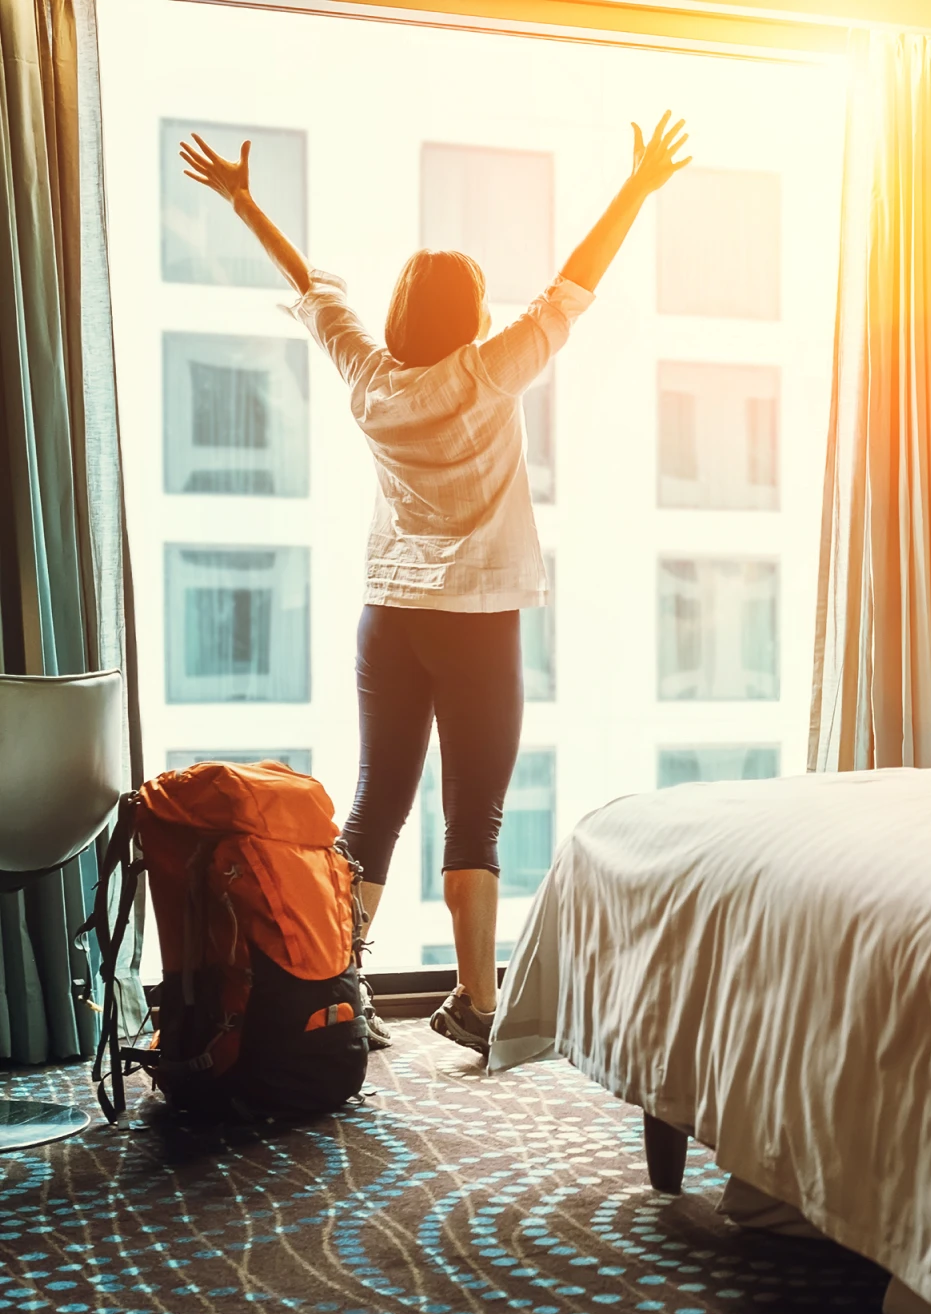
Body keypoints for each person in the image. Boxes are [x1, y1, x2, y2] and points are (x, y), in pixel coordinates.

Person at [180, 114, 689, 1059]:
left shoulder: (370, 379)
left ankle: (334, 994)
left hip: (389, 618)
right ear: (471, 316)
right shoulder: (488, 373)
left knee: (375, 806)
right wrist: (637, 187)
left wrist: (246, 205)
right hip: (476, 620)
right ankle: (476, 1003)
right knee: (475, 818)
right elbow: (573, 287)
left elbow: (312, 289)